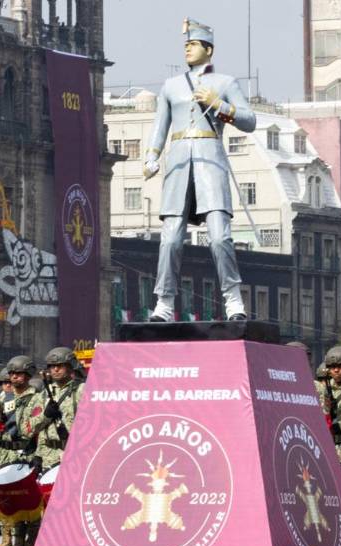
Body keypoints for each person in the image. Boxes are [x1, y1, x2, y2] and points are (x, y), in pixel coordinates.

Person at [143, 18, 256, 322]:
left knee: (220, 237)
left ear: (209, 49)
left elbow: (250, 120)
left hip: (211, 160)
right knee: (169, 239)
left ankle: (233, 301)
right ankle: (164, 303)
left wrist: (219, 104)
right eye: (185, 45)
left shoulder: (225, 82)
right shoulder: (170, 87)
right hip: (178, 163)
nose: (188, 50)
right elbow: (160, 127)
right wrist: (151, 157)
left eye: (193, 44)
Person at [25, 347, 85, 546]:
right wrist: (46, 417)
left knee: (73, 506)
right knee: (49, 506)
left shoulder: (82, 391)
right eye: (52, 367)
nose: (56, 370)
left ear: (71, 368)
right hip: (49, 453)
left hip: (73, 454)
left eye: (60, 366)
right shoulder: (42, 396)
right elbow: (29, 428)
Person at [0, 355, 40, 546]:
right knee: (15, 499)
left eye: (19, 374)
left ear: (28, 375)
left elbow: (37, 426)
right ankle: (17, 540)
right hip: (9, 453)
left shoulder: (36, 397)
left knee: (31, 499)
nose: (15, 377)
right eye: (12, 374)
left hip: (29, 452)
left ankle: (31, 541)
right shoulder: (4, 399)